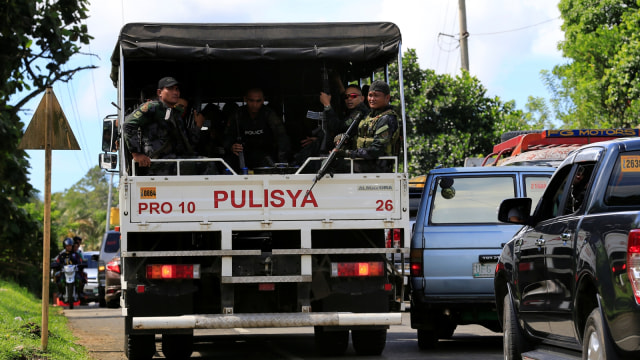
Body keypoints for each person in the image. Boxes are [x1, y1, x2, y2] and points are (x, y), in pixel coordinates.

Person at [122, 77, 200, 175]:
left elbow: (185, 143)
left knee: (206, 163)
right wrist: (136, 153)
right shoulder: (152, 107)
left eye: (177, 89)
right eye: (170, 89)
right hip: (156, 163)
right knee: (208, 165)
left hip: (175, 162)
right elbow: (128, 124)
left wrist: (197, 127)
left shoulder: (176, 114)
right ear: (159, 93)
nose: (175, 92)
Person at [336, 80, 400, 173]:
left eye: (376, 96)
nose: (372, 99)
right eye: (370, 95)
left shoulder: (387, 119)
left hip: (377, 166)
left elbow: (376, 150)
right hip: (365, 162)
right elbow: (359, 138)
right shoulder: (368, 116)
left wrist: (349, 153)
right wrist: (344, 140)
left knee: (335, 164)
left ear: (387, 98)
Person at [224, 87, 291, 171]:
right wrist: (231, 146)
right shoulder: (237, 115)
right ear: (245, 99)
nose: (254, 104)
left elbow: (282, 137)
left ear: (263, 100)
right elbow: (227, 136)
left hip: (265, 154)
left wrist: (282, 161)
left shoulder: (269, 115)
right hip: (241, 155)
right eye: (251, 100)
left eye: (258, 101)